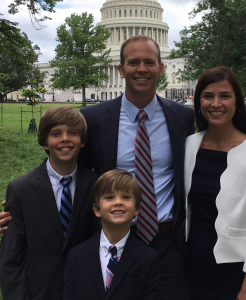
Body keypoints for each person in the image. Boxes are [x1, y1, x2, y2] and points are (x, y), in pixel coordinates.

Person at [0, 35, 194, 300]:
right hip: (110, 240)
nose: (141, 69)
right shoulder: (93, 119)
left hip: (167, 240)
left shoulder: (182, 117)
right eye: (133, 62)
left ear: (161, 68)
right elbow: (69, 168)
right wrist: (25, 202)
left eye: (149, 62)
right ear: (120, 69)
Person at [183, 66, 246, 300]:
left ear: (237, 102)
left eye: (224, 96)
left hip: (237, 274)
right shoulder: (187, 146)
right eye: (208, 96)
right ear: (198, 103)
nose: (216, 104)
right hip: (191, 269)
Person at [0, 106, 99, 300]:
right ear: (45, 142)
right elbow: (11, 259)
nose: (65, 139)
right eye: (56, 133)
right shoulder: (21, 190)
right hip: (38, 293)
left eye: (72, 133)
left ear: (82, 141)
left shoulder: (97, 186)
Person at [63, 169, 160, 300]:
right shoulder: (77, 256)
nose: (118, 202)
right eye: (109, 197)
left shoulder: (148, 258)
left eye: (126, 197)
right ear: (97, 209)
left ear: (136, 209)